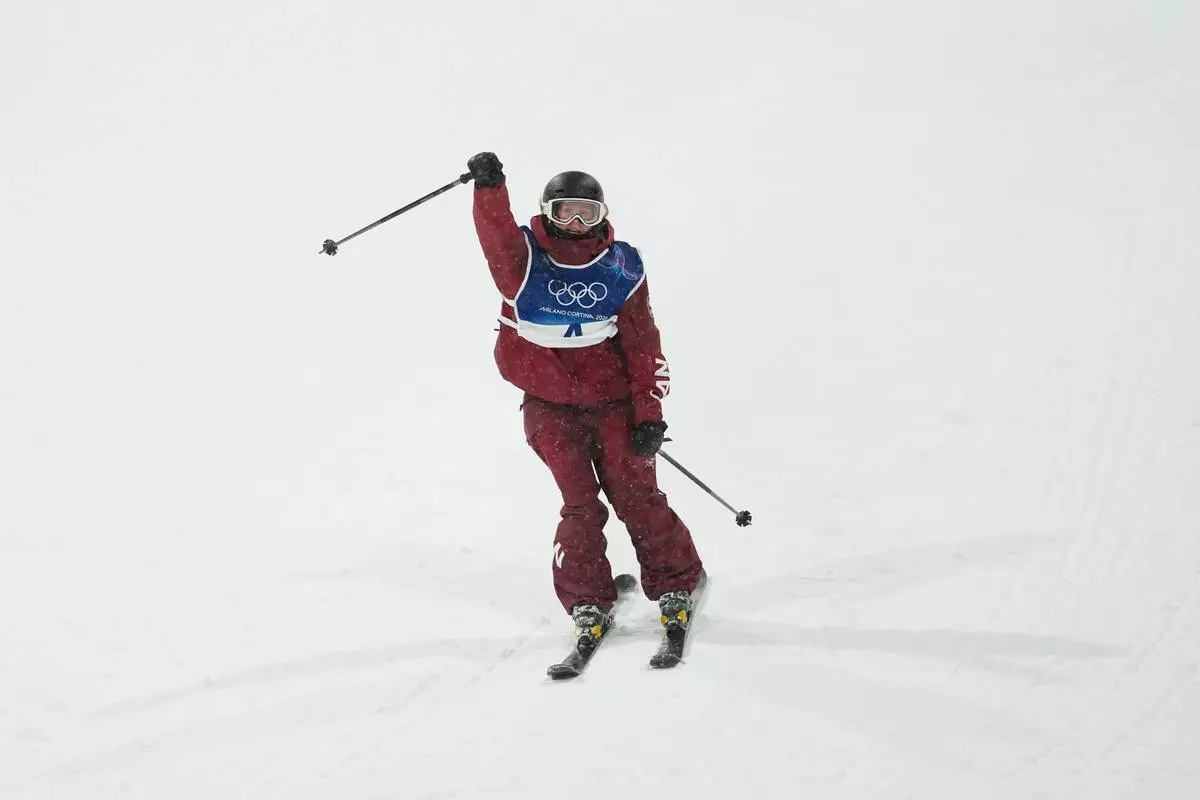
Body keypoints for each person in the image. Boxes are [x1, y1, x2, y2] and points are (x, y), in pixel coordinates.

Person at [466, 151, 705, 645]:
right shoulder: (523, 262)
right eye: (564, 212)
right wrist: (490, 188)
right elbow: (495, 234)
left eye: (587, 213)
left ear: (603, 215)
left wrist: (649, 415)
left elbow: (643, 344)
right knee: (579, 504)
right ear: (547, 213)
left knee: (636, 496)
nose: (576, 223)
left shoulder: (621, 267)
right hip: (549, 407)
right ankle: (587, 599)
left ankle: (676, 580)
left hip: (614, 404)